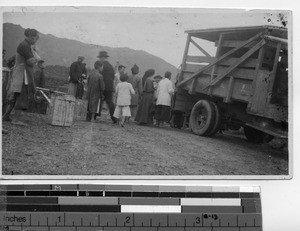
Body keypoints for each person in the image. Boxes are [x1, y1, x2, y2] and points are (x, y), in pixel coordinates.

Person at [2, 28, 40, 126]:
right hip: (23, 74)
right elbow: (30, 62)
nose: (36, 40)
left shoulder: (24, 45)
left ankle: (6, 116)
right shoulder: (25, 45)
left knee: (14, 96)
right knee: (22, 96)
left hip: (18, 72)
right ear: (31, 37)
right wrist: (37, 58)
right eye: (36, 38)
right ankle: (16, 119)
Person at [97, 51, 117, 123]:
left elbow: (100, 76)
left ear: (103, 58)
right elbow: (113, 77)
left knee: (98, 101)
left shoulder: (102, 65)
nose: (100, 59)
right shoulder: (110, 66)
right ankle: (114, 118)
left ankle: (94, 115)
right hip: (109, 87)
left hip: (103, 86)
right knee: (110, 103)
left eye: (100, 58)